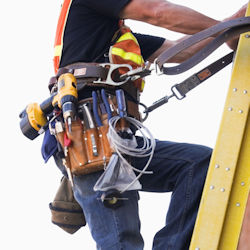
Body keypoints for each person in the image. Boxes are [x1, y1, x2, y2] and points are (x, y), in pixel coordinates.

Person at [43, 1, 247, 249]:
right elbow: (156, 12)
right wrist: (233, 27)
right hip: (92, 142)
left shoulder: (114, 36)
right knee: (121, 242)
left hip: (119, 142)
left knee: (198, 165)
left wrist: (229, 27)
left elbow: (178, 51)